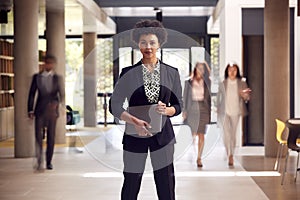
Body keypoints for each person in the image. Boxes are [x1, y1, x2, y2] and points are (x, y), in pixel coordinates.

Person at [109, 19, 183, 200]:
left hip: (163, 137)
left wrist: (167, 111)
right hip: (135, 135)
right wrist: (135, 121)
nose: (147, 46)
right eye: (143, 42)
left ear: (159, 44)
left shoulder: (171, 72)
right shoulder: (127, 73)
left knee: (166, 184)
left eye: (152, 42)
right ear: (137, 44)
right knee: (131, 182)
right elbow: (114, 105)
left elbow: (179, 105)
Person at [28, 54, 64, 171]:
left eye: (51, 63)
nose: (49, 65)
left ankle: (49, 161)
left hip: (52, 112)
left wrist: (58, 105)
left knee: (51, 137)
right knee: (38, 137)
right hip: (39, 111)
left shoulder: (57, 78)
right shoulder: (36, 77)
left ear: (53, 65)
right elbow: (32, 94)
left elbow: (61, 95)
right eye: (47, 63)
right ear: (44, 63)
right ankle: (39, 160)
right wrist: (30, 109)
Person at [217, 62, 251, 166]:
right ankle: (229, 155)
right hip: (225, 112)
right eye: (230, 70)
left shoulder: (241, 83)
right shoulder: (223, 83)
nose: (232, 72)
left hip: (236, 111)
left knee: (233, 134)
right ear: (227, 71)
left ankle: (232, 153)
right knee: (226, 134)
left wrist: (244, 95)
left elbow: (247, 98)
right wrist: (217, 108)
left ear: (237, 71)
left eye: (234, 70)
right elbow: (219, 98)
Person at [182, 62, 211, 167]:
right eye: (199, 68)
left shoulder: (207, 82)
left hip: (203, 108)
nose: (200, 70)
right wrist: (184, 111)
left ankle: (199, 158)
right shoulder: (189, 82)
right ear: (195, 69)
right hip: (192, 108)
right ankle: (193, 151)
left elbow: (209, 98)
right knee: (194, 133)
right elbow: (184, 97)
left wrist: (210, 112)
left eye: (202, 69)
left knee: (201, 133)